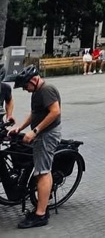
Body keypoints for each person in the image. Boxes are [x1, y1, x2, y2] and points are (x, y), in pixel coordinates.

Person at [9, 65, 61, 229]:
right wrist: (21, 127)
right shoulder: (37, 91)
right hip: (42, 134)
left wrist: (35, 131)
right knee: (42, 170)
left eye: (25, 86)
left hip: (47, 135)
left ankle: (40, 215)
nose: (25, 89)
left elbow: (55, 112)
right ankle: (42, 208)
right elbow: (35, 113)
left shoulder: (46, 90)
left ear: (33, 80)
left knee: (43, 172)